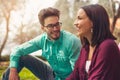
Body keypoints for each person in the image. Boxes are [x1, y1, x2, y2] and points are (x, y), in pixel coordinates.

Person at [2, 7, 81, 80]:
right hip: (52, 75)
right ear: (43, 28)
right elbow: (17, 50)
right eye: (50, 26)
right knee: (22, 57)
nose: (55, 28)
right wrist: (13, 70)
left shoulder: (72, 41)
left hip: (69, 78)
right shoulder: (42, 40)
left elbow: (78, 73)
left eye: (57, 24)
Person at [66, 4, 120, 80]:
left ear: (93, 22)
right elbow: (74, 76)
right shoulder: (85, 48)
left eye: (80, 18)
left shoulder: (108, 46)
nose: (75, 23)